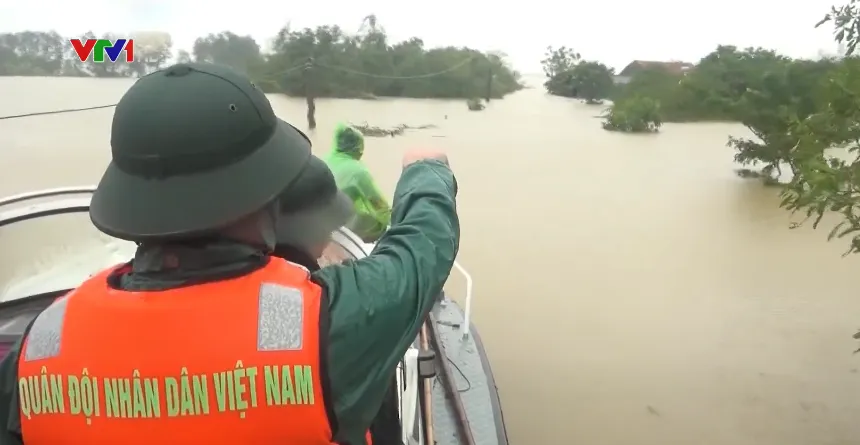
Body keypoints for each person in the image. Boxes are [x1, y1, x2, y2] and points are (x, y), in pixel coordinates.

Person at [0, 63, 459, 445]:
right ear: (261, 194)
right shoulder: (328, 324)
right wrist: (425, 169)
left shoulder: (36, 349)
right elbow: (422, 251)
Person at [325, 123, 392, 243]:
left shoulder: (323, 160)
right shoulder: (359, 172)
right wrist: (397, 224)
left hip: (323, 224)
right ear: (357, 147)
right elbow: (378, 205)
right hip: (345, 229)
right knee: (377, 224)